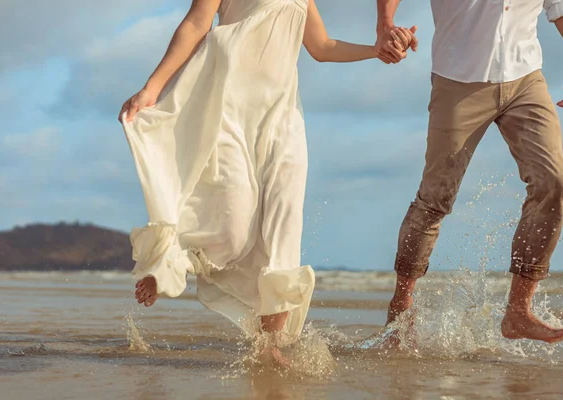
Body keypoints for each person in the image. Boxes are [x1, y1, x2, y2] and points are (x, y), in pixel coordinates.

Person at [118, 0, 415, 354]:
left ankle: (270, 345)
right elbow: (195, 26)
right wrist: (152, 88)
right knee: (233, 228)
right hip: (228, 112)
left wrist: (375, 51)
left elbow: (321, 47)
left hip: (283, 118)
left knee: (284, 226)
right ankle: (175, 257)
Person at [375, 0, 563, 344]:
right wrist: (385, 24)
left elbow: (559, 4)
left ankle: (519, 311)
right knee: (435, 199)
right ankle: (401, 311)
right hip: (459, 77)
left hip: (524, 77)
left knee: (554, 183)